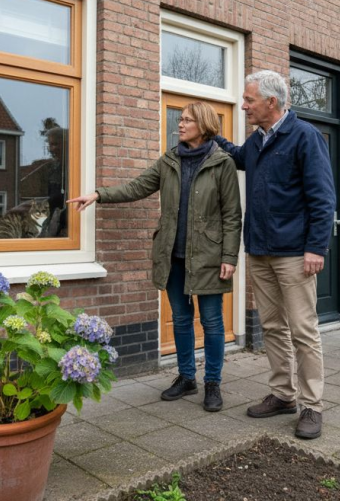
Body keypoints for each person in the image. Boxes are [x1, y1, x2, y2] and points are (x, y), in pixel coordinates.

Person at [68, 102, 241, 412]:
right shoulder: (170, 160)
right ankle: (187, 377)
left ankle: (212, 382)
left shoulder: (222, 162)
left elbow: (232, 215)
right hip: (172, 255)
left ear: (203, 125)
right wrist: (98, 194)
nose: (181, 124)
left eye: (187, 120)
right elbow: (138, 186)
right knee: (181, 319)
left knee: (213, 323)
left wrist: (230, 256)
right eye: (181, 119)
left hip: (209, 257)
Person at [214, 70, 335, 439]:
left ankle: (312, 405)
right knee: (271, 327)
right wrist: (211, 134)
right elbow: (238, 157)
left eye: (249, 100)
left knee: (303, 330)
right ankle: (284, 395)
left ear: (271, 101)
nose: (243, 105)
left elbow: (323, 197)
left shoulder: (304, 136)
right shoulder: (256, 141)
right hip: (260, 249)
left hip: (295, 253)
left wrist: (317, 246)